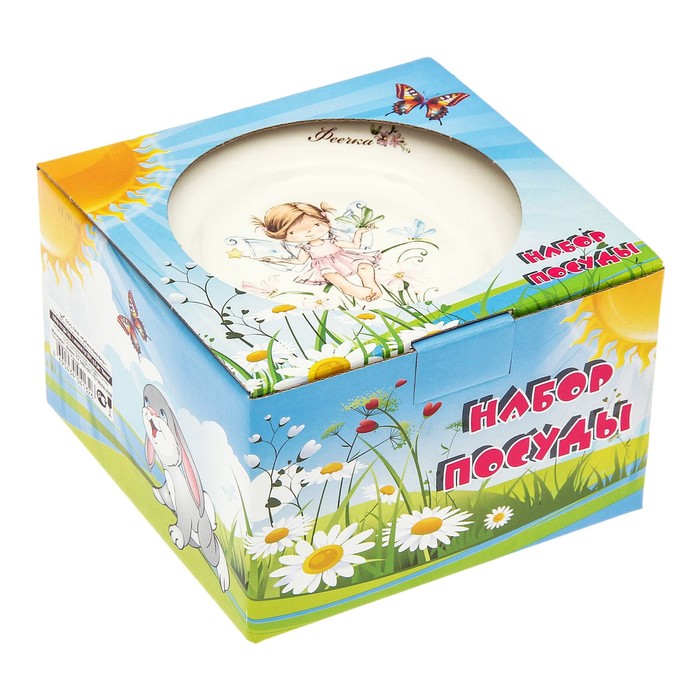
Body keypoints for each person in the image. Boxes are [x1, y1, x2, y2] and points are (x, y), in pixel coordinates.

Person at [252, 202, 382, 301]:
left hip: (344, 259)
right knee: (332, 276)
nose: (309, 232)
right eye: (293, 232)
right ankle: (350, 289)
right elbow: (299, 261)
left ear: (325, 220)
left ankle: (372, 286)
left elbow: (354, 245)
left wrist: (359, 232)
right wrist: (276, 260)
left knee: (365, 266)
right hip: (325, 266)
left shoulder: (332, 240)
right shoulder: (306, 248)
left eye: (316, 225)